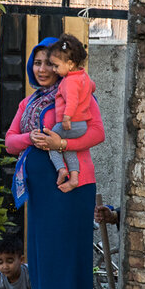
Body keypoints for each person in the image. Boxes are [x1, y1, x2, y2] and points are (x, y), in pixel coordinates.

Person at [6, 36, 105, 289]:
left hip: (68, 189)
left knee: (65, 255)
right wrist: (32, 138)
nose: (43, 68)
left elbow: (97, 133)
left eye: (50, 62)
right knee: (41, 256)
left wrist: (61, 144)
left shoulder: (78, 91)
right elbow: (10, 140)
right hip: (40, 193)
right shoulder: (29, 101)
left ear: (63, 65)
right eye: (37, 62)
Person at [46, 34, 96, 193]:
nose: (54, 70)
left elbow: (72, 100)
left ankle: (61, 169)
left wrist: (66, 118)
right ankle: (74, 178)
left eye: (56, 66)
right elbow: (92, 87)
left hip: (70, 123)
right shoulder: (83, 77)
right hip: (81, 125)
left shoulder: (69, 81)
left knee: (51, 142)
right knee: (70, 149)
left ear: (70, 63)